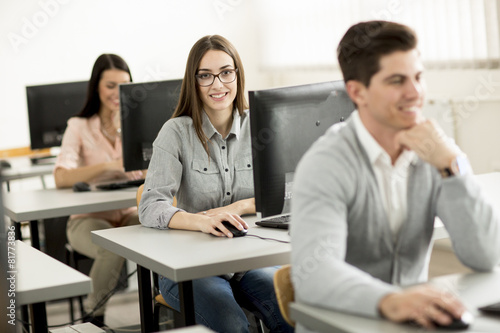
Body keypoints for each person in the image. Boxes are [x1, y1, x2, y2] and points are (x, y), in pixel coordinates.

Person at [290, 20, 500, 332]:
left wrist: (453, 165)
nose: (415, 92)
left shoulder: (433, 152)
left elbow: (485, 255)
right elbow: (314, 274)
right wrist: (392, 300)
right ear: (358, 92)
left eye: (418, 77)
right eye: (397, 80)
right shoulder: (327, 163)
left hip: (412, 324)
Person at [139, 35, 293, 333]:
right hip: (189, 266)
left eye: (226, 72)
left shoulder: (262, 126)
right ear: (193, 82)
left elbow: (289, 194)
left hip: (248, 261)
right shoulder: (176, 132)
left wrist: (238, 207)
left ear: (237, 74)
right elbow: (149, 205)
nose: (217, 84)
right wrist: (199, 221)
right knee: (231, 323)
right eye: (205, 76)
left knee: (291, 313)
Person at [54, 53, 144, 326]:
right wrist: (108, 166)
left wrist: (123, 132)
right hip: (87, 219)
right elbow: (61, 177)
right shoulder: (79, 126)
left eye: (124, 85)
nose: (117, 93)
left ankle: (165, 304)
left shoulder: (136, 124)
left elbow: (151, 171)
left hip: (129, 213)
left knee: (164, 230)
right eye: (109, 85)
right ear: (96, 86)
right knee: (114, 245)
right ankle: (93, 319)